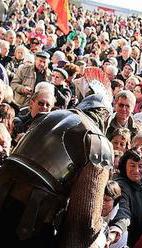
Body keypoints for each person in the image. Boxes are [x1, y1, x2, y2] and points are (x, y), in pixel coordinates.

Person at [0, 92, 114, 247]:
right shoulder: (98, 142)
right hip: (30, 227)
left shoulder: (49, 116)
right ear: (106, 119)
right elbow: (84, 219)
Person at [108, 147, 142, 247]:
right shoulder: (120, 185)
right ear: (124, 166)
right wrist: (117, 228)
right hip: (124, 239)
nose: (136, 170)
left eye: (140, 166)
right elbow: (123, 210)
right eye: (132, 165)